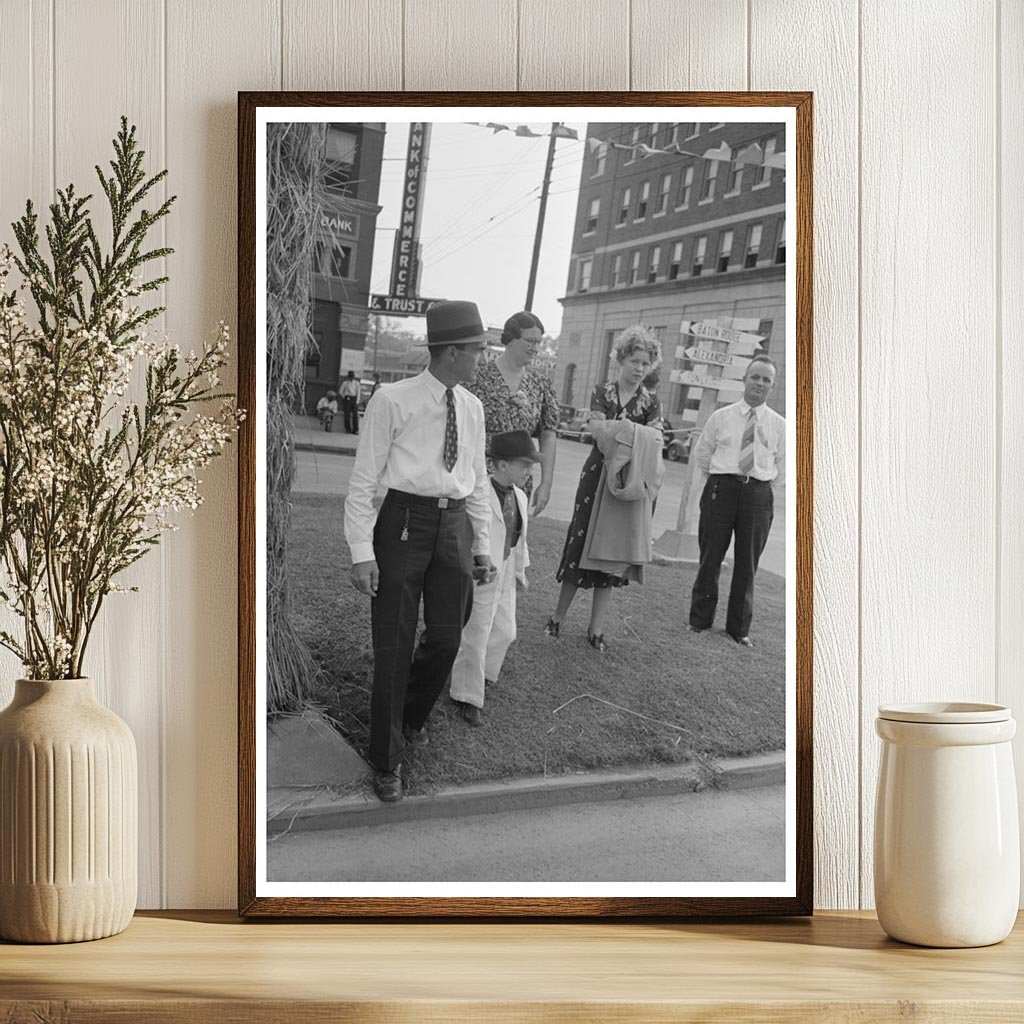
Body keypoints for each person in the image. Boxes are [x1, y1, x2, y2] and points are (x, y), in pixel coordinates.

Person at [343, 300, 497, 802]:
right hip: (404, 521)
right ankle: (386, 759)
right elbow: (365, 479)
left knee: (448, 638)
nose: (481, 359)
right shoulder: (393, 399)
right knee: (395, 640)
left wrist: (483, 547)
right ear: (452, 352)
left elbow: (475, 482)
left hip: (453, 525)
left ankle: (408, 712)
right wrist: (362, 551)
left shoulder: (472, 408)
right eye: (476, 350)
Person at [546, 325, 663, 652]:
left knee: (611, 551)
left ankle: (596, 629)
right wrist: (629, 433)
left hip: (626, 481)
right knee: (579, 542)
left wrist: (616, 431)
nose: (640, 368)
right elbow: (596, 432)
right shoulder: (604, 391)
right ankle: (557, 617)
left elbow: (655, 441)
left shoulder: (651, 402)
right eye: (635, 361)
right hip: (597, 475)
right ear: (621, 359)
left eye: (646, 363)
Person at [688, 356, 785, 647]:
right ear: (744, 379)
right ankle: (699, 620)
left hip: (757, 495)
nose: (760, 383)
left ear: (772, 385)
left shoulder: (779, 425)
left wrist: (759, 485)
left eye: (766, 379)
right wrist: (721, 481)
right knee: (710, 557)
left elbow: (783, 465)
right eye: (755, 377)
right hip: (722, 490)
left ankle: (738, 629)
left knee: (747, 563)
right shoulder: (722, 416)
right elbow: (703, 453)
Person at [448, 430, 537, 727]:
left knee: (506, 630)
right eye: (523, 465)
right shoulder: (478, 493)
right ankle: (466, 695)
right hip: (483, 571)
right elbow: (466, 532)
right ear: (499, 464)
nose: (528, 471)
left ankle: (482, 673)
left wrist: (520, 570)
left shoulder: (521, 496)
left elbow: (519, 537)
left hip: (506, 568)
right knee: (476, 633)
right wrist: (473, 562)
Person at [467, 311, 558, 515]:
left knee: (510, 540)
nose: (535, 348)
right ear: (510, 339)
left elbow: (548, 434)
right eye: (530, 341)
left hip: (518, 481)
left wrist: (546, 483)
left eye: (539, 343)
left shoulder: (540, 384)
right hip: (479, 477)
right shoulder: (478, 378)